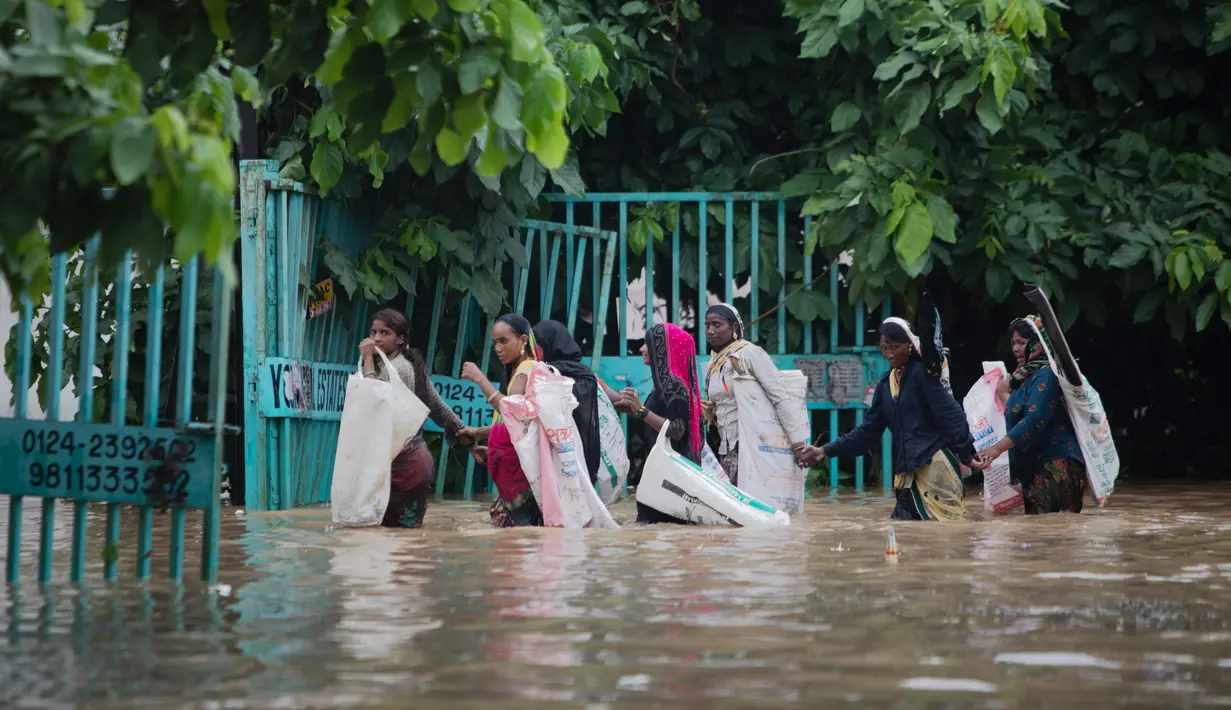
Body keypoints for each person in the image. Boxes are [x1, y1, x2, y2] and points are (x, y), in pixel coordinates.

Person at [795, 318, 981, 521]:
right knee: (907, 539)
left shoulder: (922, 375)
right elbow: (867, 433)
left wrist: (967, 455)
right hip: (907, 477)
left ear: (909, 345)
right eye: (884, 348)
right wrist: (824, 450)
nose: (890, 353)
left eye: (895, 347)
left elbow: (951, 415)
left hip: (936, 472)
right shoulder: (885, 386)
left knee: (946, 538)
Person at [359, 309, 467, 529]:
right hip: (416, 462)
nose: (377, 338)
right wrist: (463, 432)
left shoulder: (395, 368)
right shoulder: (408, 364)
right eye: (373, 332)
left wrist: (368, 359)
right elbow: (436, 406)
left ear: (400, 339)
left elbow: (373, 401)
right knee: (406, 537)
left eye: (385, 333)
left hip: (404, 467)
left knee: (395, 538)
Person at [972, 316, 1087, 514]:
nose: (1016, 349)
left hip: (1055, 465)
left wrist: (996, 449)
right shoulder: (1025, 378)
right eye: (1013, 343)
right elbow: (1024, 413)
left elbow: (1034, 420)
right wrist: (1003, 395)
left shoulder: (1047, 375)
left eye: (1021, 343)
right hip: (1036, 466)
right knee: (1040, 536)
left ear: (1037, 344)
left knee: (1054, 534)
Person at [702, 303, 809, 485]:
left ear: (734, 327)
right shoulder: (714, 362)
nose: (710, 331)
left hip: (751, 445)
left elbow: (780, 398)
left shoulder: (749, 353)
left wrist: (798, 444)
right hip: (725, 446)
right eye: (707, 325)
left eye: (717, 325)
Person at [458, 314, 543, 527]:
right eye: (495, 342)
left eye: (503, 341)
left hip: (519, 474)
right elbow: (509, 424)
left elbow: (510, 412)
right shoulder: (517, 371)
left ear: (523, 340)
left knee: (521, 539)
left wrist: (480, 379)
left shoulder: (527, 368)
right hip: (511, 473)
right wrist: (478, 434)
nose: (497, 348)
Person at [614, 323, 702, 525]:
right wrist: (600, 389)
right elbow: (646, 415)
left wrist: (641, 409)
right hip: (661, 473)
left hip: (671, 477)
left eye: (648, 343)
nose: (642, 349)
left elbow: (677, 430)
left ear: (663, 347)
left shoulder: (674, 386)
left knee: (657, 530)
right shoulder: (663, 385)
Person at [532, 320, 624, 486]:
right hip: (585, 456)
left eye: (537, 345)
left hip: (552, 455)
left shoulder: (543, 375)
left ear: (548, 345)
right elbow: (615, 399)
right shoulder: (587, 375)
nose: (533, 351)